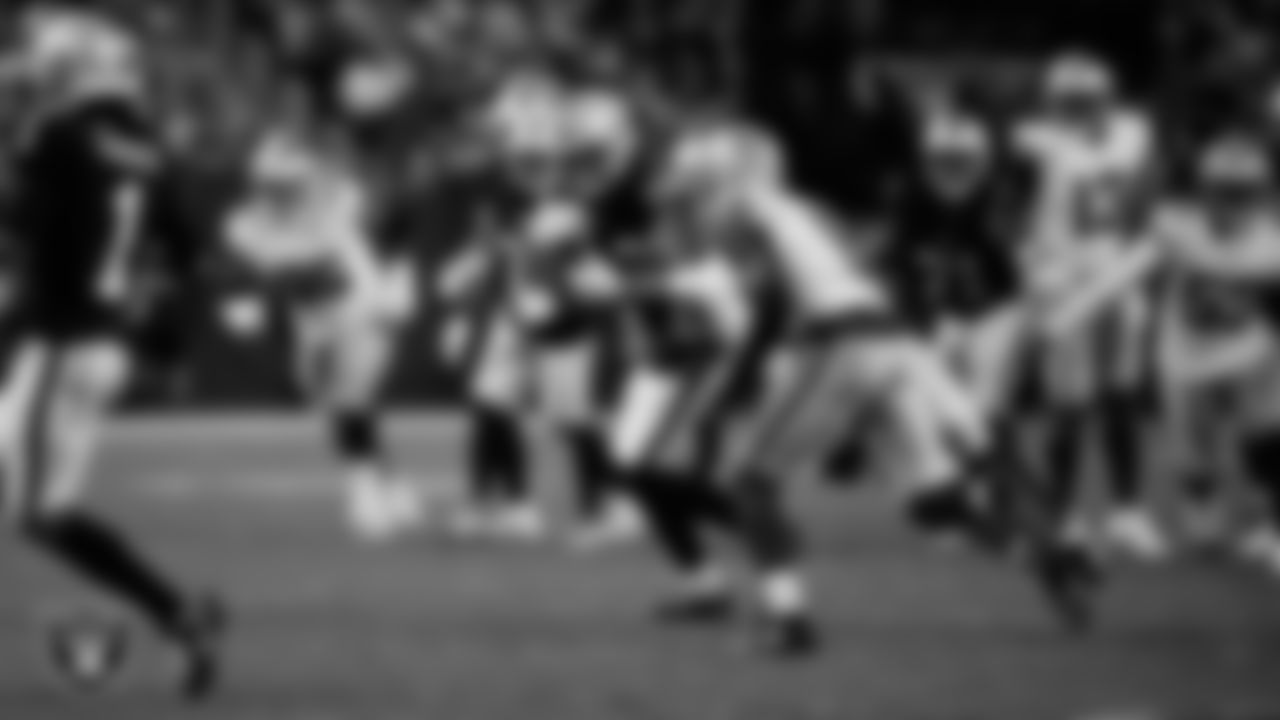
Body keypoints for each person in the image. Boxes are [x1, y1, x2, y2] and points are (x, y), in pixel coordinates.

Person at [0, 9, 224, 698]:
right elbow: (187, 251)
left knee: (39, 516)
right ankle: (178, 615)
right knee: (48, 514)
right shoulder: (148, 148)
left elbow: (19, 219)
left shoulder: (58, 136)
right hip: (99, 344)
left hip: (59, 343)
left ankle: (175, 613)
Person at [222, 127, 423, 543]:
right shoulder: (245, 223)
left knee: (353, 400)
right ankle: (390, 487)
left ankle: (365, 495)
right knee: (339, 406)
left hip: (359, 307)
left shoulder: (335, 202)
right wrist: (246, 293)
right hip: (310, 321)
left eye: (287, 184)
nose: (280, 194)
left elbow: (316, 270)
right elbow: (260, 266)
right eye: (272, 185)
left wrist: (261, 290)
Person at [1014, 53, 1167, 562]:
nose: (1077, 112)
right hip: (1062, 281)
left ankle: (1127, 513)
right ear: (1051, 104)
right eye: (1068, 103)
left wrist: (1142, 253)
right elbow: (1015, 205)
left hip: (1119, 275)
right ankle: (1061, 516)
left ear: (1109, 99)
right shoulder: (1035, 143)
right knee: (1069, 405)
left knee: (1122, 397)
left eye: (1087, 102)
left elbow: (1147, 196)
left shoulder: (1135, 134)